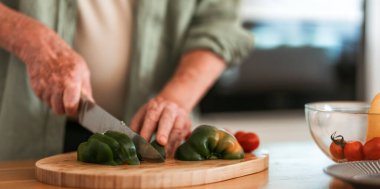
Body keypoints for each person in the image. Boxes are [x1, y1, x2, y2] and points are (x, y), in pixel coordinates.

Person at [0, 0, 252, 160]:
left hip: (155, 144)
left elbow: (219, 22)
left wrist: (175, 98)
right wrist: (29, 39)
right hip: (21, 137)